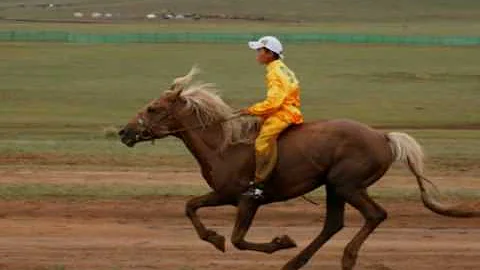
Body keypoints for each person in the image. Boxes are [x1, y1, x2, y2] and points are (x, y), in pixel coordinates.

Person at [241, 36, 304, 199]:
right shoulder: (281, 67)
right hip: (288, 108)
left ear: (269, 53)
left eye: (259, 51)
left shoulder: (274, 72)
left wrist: (252, 110)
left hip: (284, 112)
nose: (257, 54)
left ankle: (260, 184)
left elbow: (274, 102)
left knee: (262, 142)